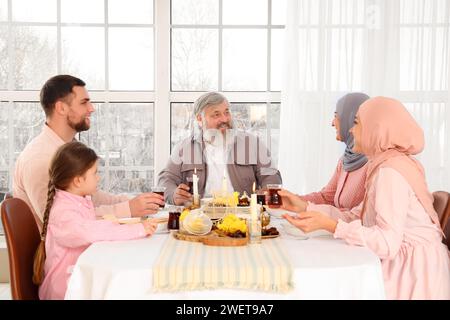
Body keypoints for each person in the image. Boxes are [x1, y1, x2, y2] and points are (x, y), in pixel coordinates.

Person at [280, 97, 450, 299]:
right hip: (413, 266)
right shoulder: (386, 164)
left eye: (357, 122)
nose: (351, 130)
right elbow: (358, 216)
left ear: (377, 127)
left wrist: (333, 227)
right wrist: (305, 207)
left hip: (413, 275)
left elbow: (387, 243)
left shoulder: (390, 172)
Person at [13, 75, 164, 230]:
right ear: (61, 108)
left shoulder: (69, 147)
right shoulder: (40, 159)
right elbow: (62, 223)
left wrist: (132, 202)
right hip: (60, 252)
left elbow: (93, 198)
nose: (92, 108)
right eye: (84, 102)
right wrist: (128, 209)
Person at [33, 142, 158, 299]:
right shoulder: (63, 212)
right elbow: (91, 232)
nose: (98, 177)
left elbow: (95, 223)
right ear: (78, 181)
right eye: (95, 173)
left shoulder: (76, 202)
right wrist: (138, 229)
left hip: (76, 279)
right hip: (65, 289)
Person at [157, 92, 282, 206]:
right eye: (216, 114)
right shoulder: (183, 148)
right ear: (200, 119)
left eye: (227, 112)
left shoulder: (252, 143)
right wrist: (174, 194)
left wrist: (268, 190)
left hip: (243, 215)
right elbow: (165, 180)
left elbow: (271, 175)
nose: (225, 119)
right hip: (199, 218)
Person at [298, 93, 369, 209]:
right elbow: (327, 198)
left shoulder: (374, 164)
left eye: (337, 116)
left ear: (350, 118)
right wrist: (291, 199)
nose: (332, 123)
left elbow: (361, 218)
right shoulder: (345, 159)